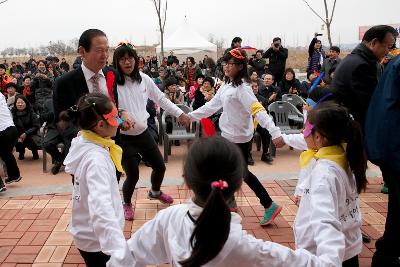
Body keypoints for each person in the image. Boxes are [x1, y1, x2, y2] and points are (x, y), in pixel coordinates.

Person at [127, 136, 348, 267]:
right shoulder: (246, 248)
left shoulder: (169, 218)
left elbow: (127, 256)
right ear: (237, 184)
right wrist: (326, 220)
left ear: (187, 181)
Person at [188, 48, 285, 225]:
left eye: (230, 64)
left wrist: (275, 132)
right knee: (235, 171)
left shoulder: (243, 89)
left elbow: (259, 111)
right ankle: (233, 202)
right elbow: (212, 106)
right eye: (225, 63)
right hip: (228, 135)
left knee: (235, 172)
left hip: (239, 138)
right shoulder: (227, 85)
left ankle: (264, 204)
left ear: (240, 66)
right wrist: (189, 116)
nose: (226, 66)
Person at [112, 42, 190, 221]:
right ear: (116, 62)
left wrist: (179, 113)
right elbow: (108, 111)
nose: (127, 62)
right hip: (124, 138)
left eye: (130, 58)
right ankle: (126, 203)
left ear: (136, 60)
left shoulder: (144, 79)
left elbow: (161, 99)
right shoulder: (113, 83)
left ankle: (155, 192)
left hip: (143, 133)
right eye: (122, 59)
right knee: (133, 175)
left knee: (160, 167)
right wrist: (118, 122)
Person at [62, 93, 134, 267]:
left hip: (88, 233)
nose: (119, 120)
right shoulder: (97, 160)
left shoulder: (84, 140)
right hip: (97, 242)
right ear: (101, 125)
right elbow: (100, 206)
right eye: (115, 117)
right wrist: (118, 249)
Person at [294, 102, 366, 267]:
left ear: (318, 136)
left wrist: (328, 260)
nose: (302, 133)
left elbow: (325, 221)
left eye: (305, 129)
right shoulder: (344, 157)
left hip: (325, 254)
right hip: (348, 247)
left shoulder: (324, 173)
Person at [53, 29, 129, 157]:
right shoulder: (64, 83)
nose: (105, 55)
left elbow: (110, 110)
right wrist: (92, 140)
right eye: (99, 50)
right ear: (82, 51)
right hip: (84, 153)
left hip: (112, 149)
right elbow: (62, 122)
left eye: (107, 50)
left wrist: (121, 120)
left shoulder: (112, 74)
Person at [365, 55, 400, 267]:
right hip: (393, 146)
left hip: (388, 145)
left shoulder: (394, 64)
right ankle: (386, 254)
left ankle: (387, 253)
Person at [332, 25, 398, 129]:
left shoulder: (356, 59)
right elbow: (374, 103)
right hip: (355, 129)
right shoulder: (362, 66)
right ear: (374, 43)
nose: (388, 52)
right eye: (388, 47)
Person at [0, 92, 22, 190]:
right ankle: (14, 175)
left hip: (2, 131)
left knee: (6, 153)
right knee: (6, 154)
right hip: (11, 129)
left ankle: (0, 185)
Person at [12, 95, 41, 160]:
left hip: (31, 133)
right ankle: (21, 152)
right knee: (16, 139)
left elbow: (36, 126)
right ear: (15, 104)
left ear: (26, 103)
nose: (20, 104)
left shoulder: (31, 112)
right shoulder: (13, 112)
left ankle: (34, 151)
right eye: (18, 103)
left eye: (22, 103)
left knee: (30, 140)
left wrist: (26, 133)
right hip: (19, 134)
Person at [41, 99, 66, 175]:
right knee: (46, 144)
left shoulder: (69, 99)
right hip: (53, 129)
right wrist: (51, 114)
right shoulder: (48, 102)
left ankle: (61, 161)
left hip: (68, 128)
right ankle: (61, 160)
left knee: (73, 143)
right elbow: (43, 117)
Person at [251, 81, 273, 164]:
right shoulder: (245, 99)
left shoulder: (262, 99)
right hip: (248, 123)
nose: (255, 88)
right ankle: (248, 154)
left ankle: (265, 154)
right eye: (252, 87)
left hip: (259, 123)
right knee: (249, 131)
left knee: (266, 131)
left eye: (256, 86)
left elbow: (266, 113)